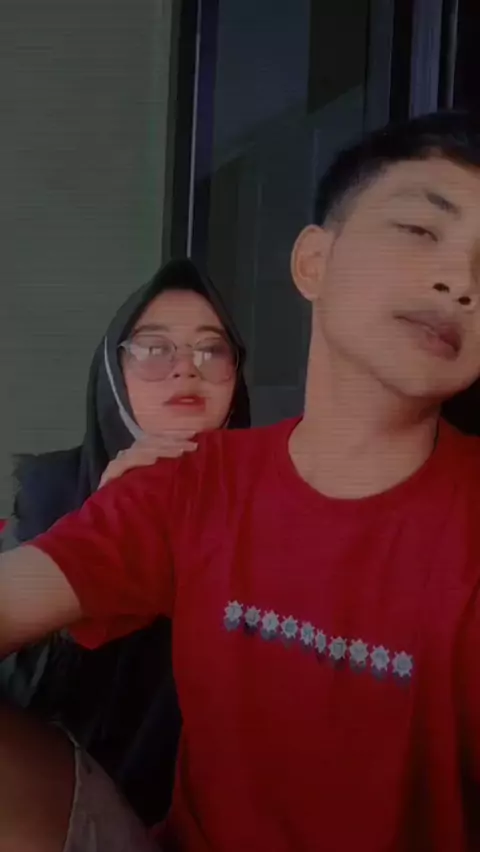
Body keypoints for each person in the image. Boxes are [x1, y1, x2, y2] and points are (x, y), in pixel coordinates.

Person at [3, 109, 480, 851]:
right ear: (313, 262)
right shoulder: (186, 486)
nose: (460, 282)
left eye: (209, 350)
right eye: (421, 229)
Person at [0, 257, 250, 827]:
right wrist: (99, 526)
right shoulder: (51, 490)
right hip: (63, 792)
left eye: (211, 350)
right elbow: (21, 689)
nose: (186, 369)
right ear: (114, 374)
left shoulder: (266, 499)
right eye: (155, 348)